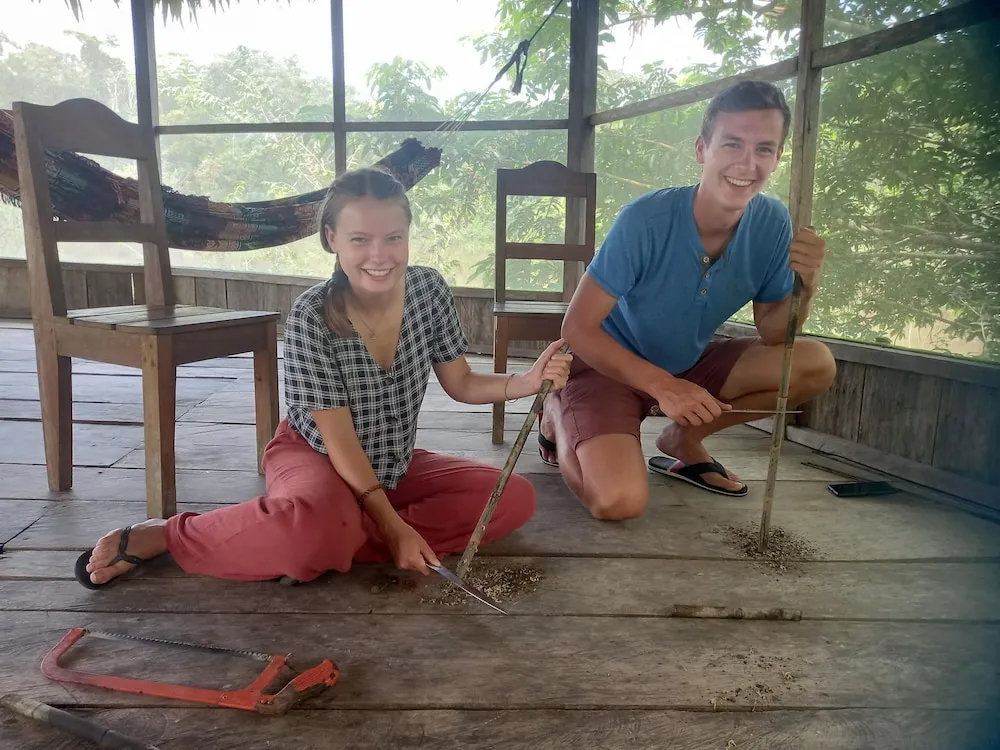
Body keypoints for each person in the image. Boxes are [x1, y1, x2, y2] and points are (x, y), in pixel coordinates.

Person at [78, 167, 572, 588]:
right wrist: (391, 524)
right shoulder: (312, 316)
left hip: (390, 463)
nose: (380, 256)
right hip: (316, 454)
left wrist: (526, 382)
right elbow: (338, 443)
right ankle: (173, 534)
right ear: (332, 239)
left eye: (394, 238)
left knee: (514, 497)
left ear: (408, 236)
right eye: (360, 240)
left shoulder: (429, 290)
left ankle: (333, 535)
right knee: (317, 528)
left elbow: (461, 383)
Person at [538, 80, 836, 520]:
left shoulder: (772, 221)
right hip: (604, 366)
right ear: (702, 149)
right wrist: (663, 385)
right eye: (732, 144)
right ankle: (556, 412)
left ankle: (682, 440)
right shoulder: (645, 219)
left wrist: (804, 286)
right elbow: (576, 329)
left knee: (815, 362)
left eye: (764, 149)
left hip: (687, 361)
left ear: (776, 157)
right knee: (617, 502)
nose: (747, 164)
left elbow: (776, 334)